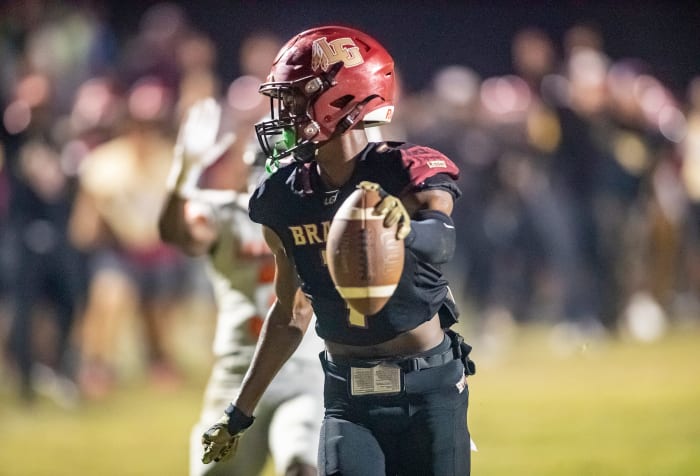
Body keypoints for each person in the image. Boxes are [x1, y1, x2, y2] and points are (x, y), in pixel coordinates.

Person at [200, 25, 476, 476]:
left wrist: (403, 230)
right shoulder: (282, 197)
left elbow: (440, 239)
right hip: (348, 399)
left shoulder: (403, 170)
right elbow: (291, 313)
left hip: (429, 391)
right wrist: (238, 413)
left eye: (294, 99)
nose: (285, 114)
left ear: (342, 100)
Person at [158, 97, 324, 476]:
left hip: (306, 374)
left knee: (302, 465)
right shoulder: (228, 212)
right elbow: (178, 234)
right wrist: (182, 178)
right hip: (238, 371)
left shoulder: (325, 218)